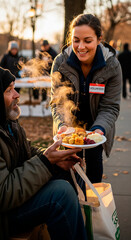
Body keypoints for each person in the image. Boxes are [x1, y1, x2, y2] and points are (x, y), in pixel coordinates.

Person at [0, 67, 87, 240]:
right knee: (61, 193)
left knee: (71, 172)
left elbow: (28, 151)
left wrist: (57, 160)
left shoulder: (9, 123)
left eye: (14, 88)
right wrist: (46, 162)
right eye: (9, 90)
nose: (17, 95)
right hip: (5, 216)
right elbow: (3, 194)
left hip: (18, 200)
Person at [51, 14, 122, 184]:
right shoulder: (61, 62)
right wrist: (62, 126)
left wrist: (98, 130)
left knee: (94, 173)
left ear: (99, 39)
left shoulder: (112, 66)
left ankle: (94, 209)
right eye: (76, 40)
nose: (81, 47)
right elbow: (58, 103)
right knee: (69, 177)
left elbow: (110, 107)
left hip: (96, 128)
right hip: (68, 129)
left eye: (87, 40)